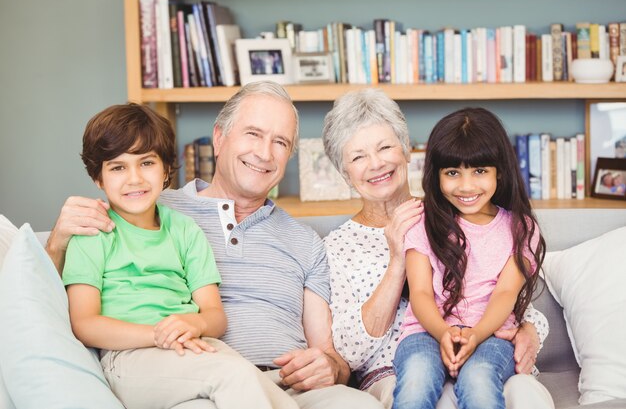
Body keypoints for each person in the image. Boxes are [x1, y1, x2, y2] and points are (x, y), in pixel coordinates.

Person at [46, 82, 383, 409]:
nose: (264, 153)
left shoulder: (305, 241)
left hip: (286, 383)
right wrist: (58, 240)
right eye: (253, 133)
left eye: (280, 142)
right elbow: (61, 296)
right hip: (191, 381)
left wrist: (329, 365)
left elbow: (327, 350)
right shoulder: (150, 208)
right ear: (220, 138)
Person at [321, 89, 553, 409]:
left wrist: (530, 329)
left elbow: (505, 297)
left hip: (487, 350)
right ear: (344, 172)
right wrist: (396, 261)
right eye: (358, 156)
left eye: (385, 147)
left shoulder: (454, 215)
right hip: (396, 369)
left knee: (520, 395)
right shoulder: (337, 247)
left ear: (406, 151)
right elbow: (349, 351)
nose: (376, 163)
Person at [62, 103, 297, 409]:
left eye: (146, 163)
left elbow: (214, 315)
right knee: (235, 378)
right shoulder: (94, 233)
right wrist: (158, 335)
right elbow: (85, 323)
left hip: (193, 347)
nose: (134, 178)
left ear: (165, 171)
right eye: (118, 167)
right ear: (99, 179)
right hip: (130, 360)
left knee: (261, 386)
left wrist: (194, 324)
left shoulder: (185, 230)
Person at [392, 107, 548, 409]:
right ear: (435, 174)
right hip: (425, 332)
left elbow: (505, 292)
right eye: (452, 173)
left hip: (491, 336)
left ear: (499, 171)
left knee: (478, 380)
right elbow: (421, 293)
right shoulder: (422, 223)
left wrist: (475, 335)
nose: (466, 186)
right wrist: (443, 332)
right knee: (416, 380)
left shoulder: (521, 229)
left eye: (479, 171)